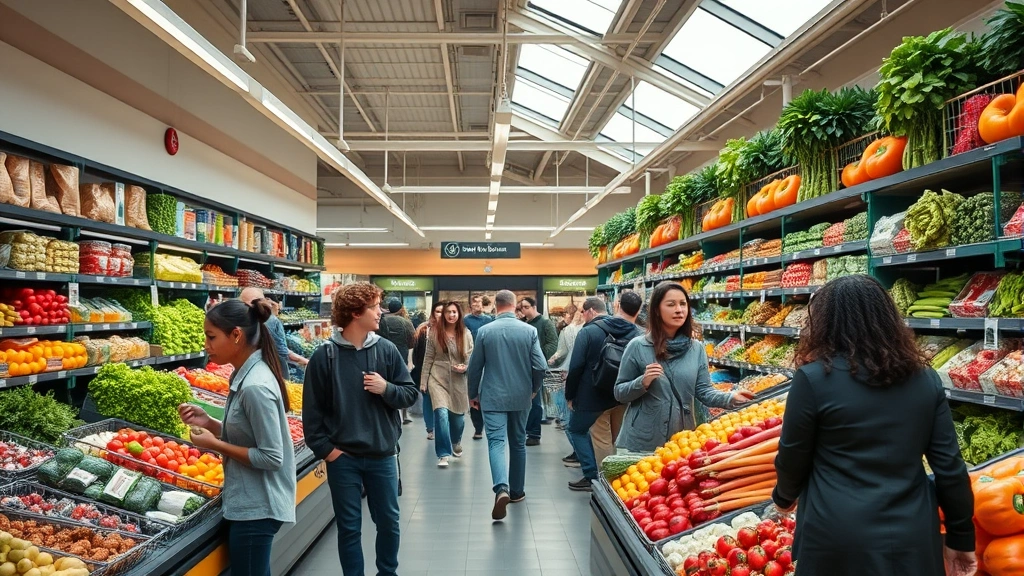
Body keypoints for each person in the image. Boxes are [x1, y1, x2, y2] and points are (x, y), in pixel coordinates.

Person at [772, 275, 976, 575]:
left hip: (837, 533)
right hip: (912, 532)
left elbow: (793, 455)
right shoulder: (925, 379)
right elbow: (949, 467)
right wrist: (961, 536)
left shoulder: (813, 380)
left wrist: (784, 497)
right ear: (888, 318)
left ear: (825, 323)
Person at [301, 282, 419, 576]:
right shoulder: (323, 357)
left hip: (382, 454)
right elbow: (312, 416)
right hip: (344, 459)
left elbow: (409, 394)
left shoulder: (387, 351)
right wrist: (328, 452)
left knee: (389, 521)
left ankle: (387, 572)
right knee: (349, 527)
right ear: (356, 313)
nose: (381, 311)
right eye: (375, 306)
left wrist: (386, 388)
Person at [178, 298, 295, 576]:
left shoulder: (255, 386)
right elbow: (249, 434)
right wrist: (212, 423)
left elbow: (271, 457)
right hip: (250, 500)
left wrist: (215, 444)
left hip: (258, 506)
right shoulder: (246, 374)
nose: (206, 344)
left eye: (211, 336)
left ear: (236, 335)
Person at [615, 282, 753, 453]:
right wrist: (642, 382)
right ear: (657, 310)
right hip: (643, 443)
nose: (679, 309)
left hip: (682, 441)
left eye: (683, 303)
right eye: (671, 304)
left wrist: (730, 398)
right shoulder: (638, 346)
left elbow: (704, 391)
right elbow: (619, 393)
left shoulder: (696, 349)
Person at [467, 289, 546, 521]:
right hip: (522, 396)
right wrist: (534, 388)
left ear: (496, 306)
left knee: (496, 443)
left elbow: (475, 367)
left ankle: (501, 488)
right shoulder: (529, 330)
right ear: (514, 306)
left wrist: (473, 393)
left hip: (491, 396)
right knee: (518, 442)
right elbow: (540, 365)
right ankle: (517, 491)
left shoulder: (484, 331)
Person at [562, 293, 643, 490]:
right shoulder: (637, 333)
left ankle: (597, 478)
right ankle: (623, 479)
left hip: (593, 396)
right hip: (622, 394)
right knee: (617, 439)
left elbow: (576, 367)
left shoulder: (589, 332)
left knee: (585, 433)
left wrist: (570, 395)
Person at [421, 301, 474, 468]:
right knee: (441, 414)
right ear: (443, 314)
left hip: (458, 380)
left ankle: (456, 441)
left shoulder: (466, 333)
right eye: (448, 312)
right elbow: (428, 357)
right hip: (437, 376)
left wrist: (465, 367)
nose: (451, 315)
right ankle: (443, 453)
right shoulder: (435, 333)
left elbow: (471, 356)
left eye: (455, 312)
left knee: (458, 419)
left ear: (459, 315)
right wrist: (423, 381)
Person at [519, 297, 557, 446]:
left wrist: (537, 356)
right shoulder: (524, 324)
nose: (523, 310)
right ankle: (526, 430)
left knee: (535, 402)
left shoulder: (546, 323)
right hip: (524, 368)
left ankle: (534, 434)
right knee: (525, 401)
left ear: (534, 306)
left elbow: (553, 343)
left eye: (526, 307)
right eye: (522, 308)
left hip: (536, 369)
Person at [239, 287, 307, 370]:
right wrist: (305, 361)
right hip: (269, 369)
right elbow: (282, 352)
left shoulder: (237, 319)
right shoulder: (272, 321)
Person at [379, 298, 416, 425]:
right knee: (403, 385)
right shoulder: (406, 323)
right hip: (402, 357)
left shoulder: (381, 321)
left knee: (387, 384)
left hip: (384, 357)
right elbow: (412, 342)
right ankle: (404, 415)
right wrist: (410, 361)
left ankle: (390, 411)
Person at [548, 307, 583, 431]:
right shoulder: (587, 328)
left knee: (566, 395)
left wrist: (553, 358)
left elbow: (562, 350)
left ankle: (566, 420)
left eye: (566, 314)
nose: (564, 317)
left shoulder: (567, 330)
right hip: (583, 367)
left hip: (568, 366)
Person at [463, 294, 493, 440]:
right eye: (475, 304)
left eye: (480, 304)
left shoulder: (489, 320)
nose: (478, 306)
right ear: (471, 306)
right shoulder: (466, 320)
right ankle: (478, 428)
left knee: (487, 393)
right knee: (473, 393)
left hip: (488, 360)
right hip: (471, 360)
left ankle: (490, 424)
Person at [412, 302, 444, 440]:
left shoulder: (453, 329)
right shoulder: (424, 329)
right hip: (424, 369)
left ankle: (441, 427)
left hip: (443, 371)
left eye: (443, 311)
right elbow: (416, 352)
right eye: (438, 311)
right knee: (427, 398)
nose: (440, 315)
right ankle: (430, 428)